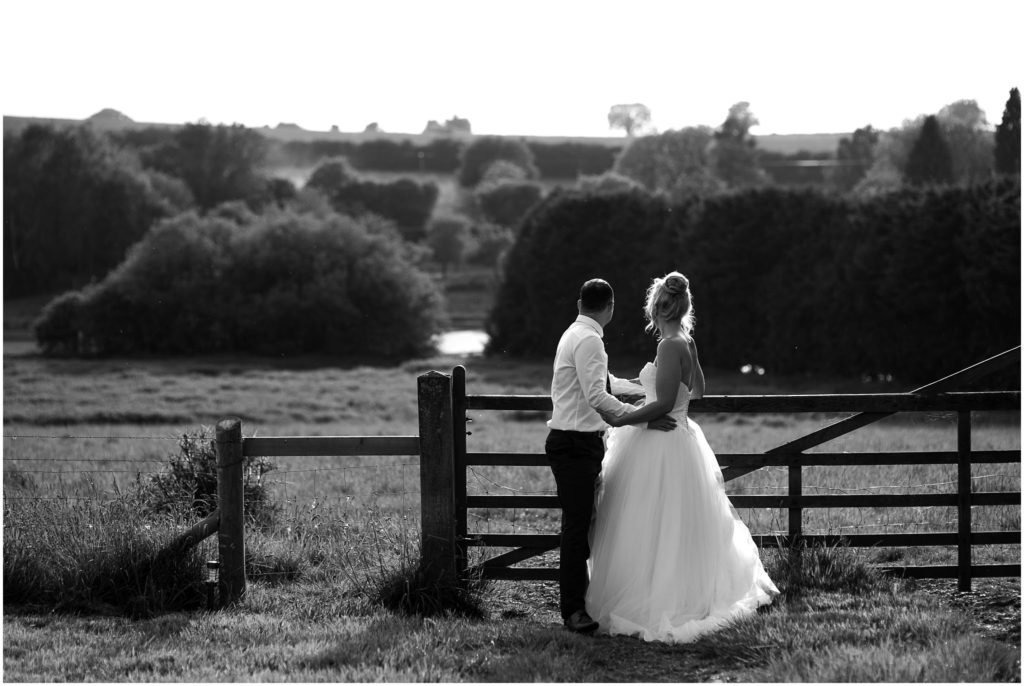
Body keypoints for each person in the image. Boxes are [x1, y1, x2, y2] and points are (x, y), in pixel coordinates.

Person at [587, 271, 778, 643]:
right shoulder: (685, 341)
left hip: (662, 439)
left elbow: (660, 402)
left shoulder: (667, 346)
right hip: (684, 436)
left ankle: (658, 597)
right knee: (681, 520)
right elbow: (700, 390)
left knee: (649, 516)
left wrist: (626, 417)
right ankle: (689, 588)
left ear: (657, 309)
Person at [546, 278, 678, 634]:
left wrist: (643, 389)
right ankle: (573, 611)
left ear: (579, 304)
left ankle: (581, 602)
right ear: (611, 307)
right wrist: (638, 420)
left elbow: (603, 381)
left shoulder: (574, 334)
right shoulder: (589, 340)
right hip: (575, 444)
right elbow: (595, 396)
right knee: (576, 528)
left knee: (585, 523)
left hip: (575, 442)